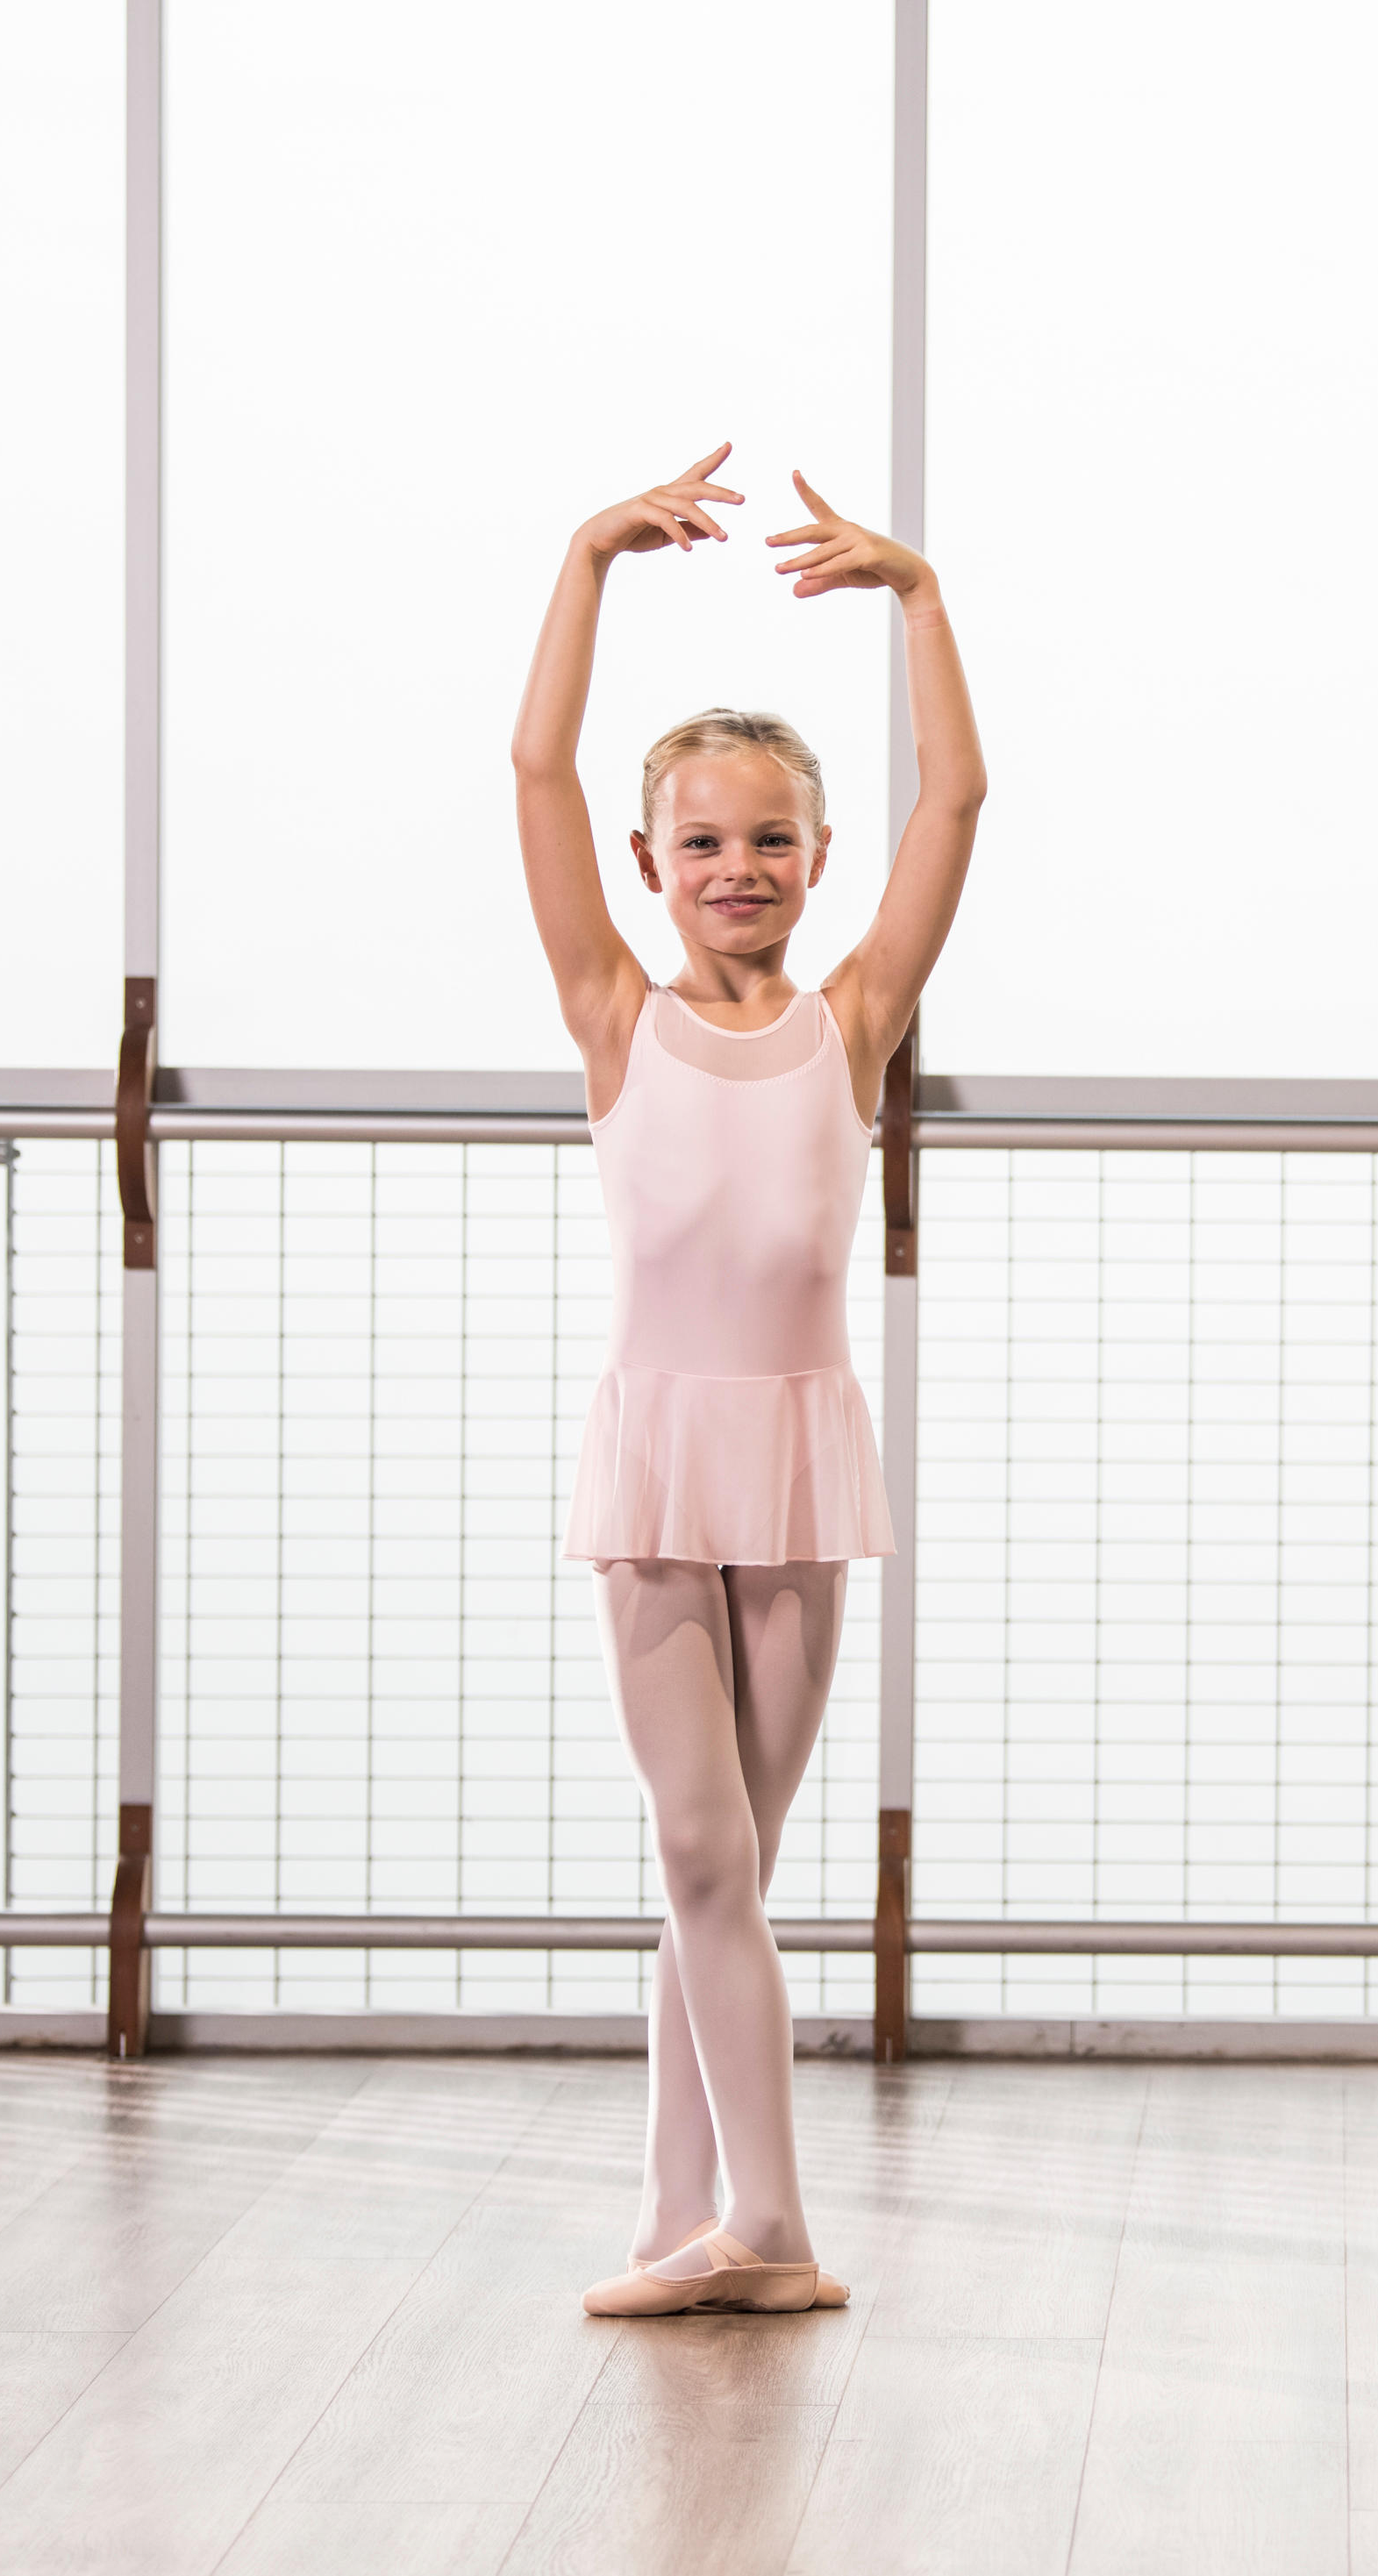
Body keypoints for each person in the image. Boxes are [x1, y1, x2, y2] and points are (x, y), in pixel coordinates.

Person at [509, 442, 982, 2316]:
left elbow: (960, 793)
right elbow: (535, 771)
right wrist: (585, 560)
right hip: (655, 1467)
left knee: (733, 1874)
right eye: (701, 841)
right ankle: (765, 2235)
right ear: (652, 864)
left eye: (770, 839)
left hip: (793, 1469)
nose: (736, 869)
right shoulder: (613, 1016)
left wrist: (920, 597)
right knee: (702, 1847)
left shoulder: (848, 1024)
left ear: (815, 857)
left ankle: (671, 2216)